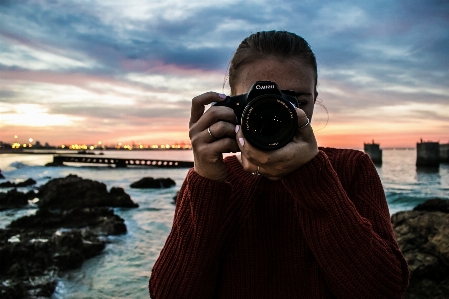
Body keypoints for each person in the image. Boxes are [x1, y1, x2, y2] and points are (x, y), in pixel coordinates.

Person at [149, 30, 409, 298]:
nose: (277, 113)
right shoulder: (215, 182)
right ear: (231, 104)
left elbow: (383, 291)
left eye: (296, 101)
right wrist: (206, 178)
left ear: (314, 99)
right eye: (259, 102)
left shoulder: (351, 168)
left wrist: (312, 175)